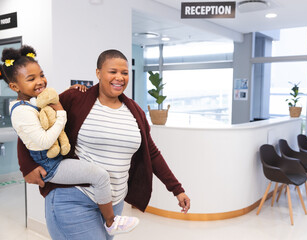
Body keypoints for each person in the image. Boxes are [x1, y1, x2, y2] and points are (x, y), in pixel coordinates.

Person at [16, 48, 191, 240]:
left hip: (113, 203)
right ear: (98, 73)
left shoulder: (135, 112)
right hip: (74, 199)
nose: (120, 77)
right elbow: (32, 125)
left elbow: (152, 152)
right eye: (113, 71)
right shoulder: (75, 99)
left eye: (124, 73)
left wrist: (177, 189)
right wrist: (27, 166)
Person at [0, 46, 140, 237]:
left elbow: (46, 114)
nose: (40, 81)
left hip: (109, 195)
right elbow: (33, 138)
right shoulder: (23, 110)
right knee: (99, 175)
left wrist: (68, 93)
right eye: (31, 79)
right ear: (98, 73)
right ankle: (111, 221)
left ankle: (110, 218)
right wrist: (61, 116)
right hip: (54, 168)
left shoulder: (36, 102)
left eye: (41, 75)